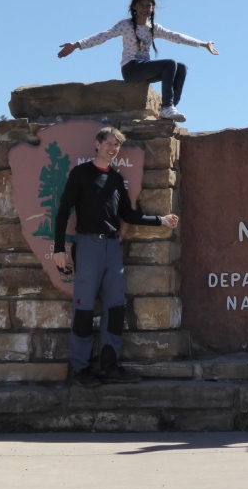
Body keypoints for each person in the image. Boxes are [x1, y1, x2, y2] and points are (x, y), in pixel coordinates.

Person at [52, 126, 179, 387]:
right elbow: (63, 211)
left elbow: (128, 215)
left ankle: (110, 366)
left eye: (117, 145)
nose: (113, 148)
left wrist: (161, 220)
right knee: (84, 309)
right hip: (87, 245)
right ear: (97, 144)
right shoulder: (81, 173)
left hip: (112, 248)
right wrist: (58, 249)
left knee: (115, 308)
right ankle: (81, 369)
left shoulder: (116, 179)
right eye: (109, 143)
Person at [58, 0, 218, 123]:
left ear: (153, 8)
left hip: (144, 68)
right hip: (131, 69)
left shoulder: (153, 28)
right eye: (141, 5)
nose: (145, 9)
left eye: (148, 6)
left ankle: (170, 108)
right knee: (170, 63)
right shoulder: (126, 25)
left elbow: (176, 36)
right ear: (134, 6)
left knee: (181, 68)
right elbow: (103, 36)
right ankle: (166, 107)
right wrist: (77, 44)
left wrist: (203, 44)